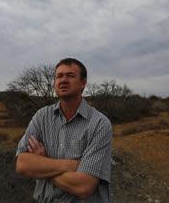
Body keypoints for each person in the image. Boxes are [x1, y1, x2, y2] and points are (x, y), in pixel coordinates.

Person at [15, 58, 112, 202]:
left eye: (70, 75)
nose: (63, 80)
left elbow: (84, 186)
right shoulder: (42, 116)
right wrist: (70, 165)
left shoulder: (99, 123)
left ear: (83, 83)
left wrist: (43, 162)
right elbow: (22, 164)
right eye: (59, 76)